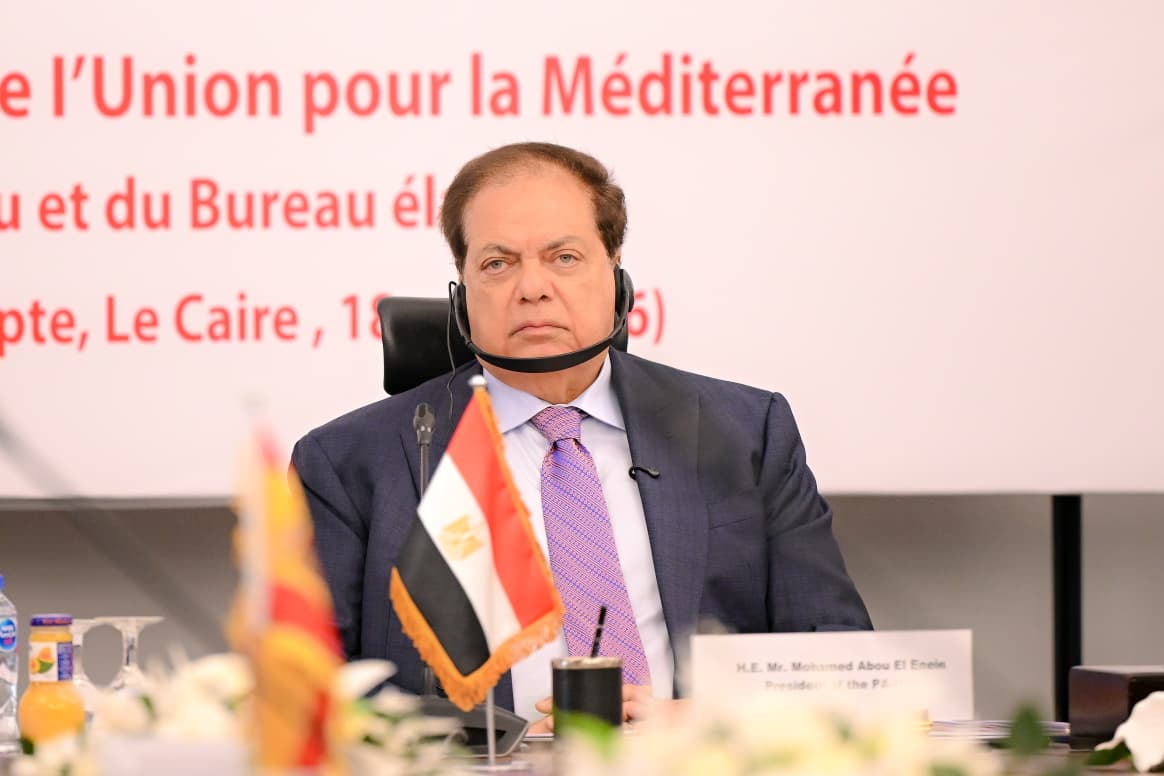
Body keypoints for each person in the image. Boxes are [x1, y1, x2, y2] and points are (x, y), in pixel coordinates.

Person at [291, 142, 871, 731]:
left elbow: (835, 650)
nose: (532, 288)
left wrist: (708, 720)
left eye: (564, 257)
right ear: (461, 293)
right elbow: (305, 686)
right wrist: (493, 744)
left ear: (617, 276)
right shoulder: (349, 463)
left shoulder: (746, 431)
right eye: (497, 264)